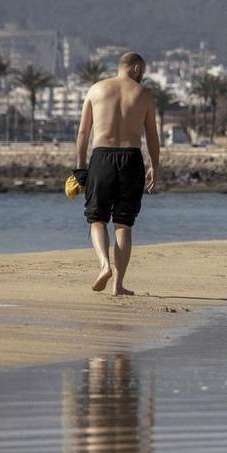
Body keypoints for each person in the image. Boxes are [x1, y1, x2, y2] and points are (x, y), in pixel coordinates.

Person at [74, 51, 159, 296]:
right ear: (134, 68)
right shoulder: (144, 95)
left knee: (96, 219)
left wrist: (81, 168)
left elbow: (82, 134)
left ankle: (104, 265)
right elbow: (152, 136)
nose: (142, 75)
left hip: (102, 157)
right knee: (124, 224)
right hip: (131, 159)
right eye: (142, 70)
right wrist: (155, 165)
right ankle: (118, 284)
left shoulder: (96, 89)